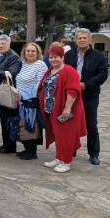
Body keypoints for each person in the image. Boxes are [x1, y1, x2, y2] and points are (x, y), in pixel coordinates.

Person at [39, 45, 87, 173]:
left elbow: (73, 91)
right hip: (52, 110)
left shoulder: (69, 71)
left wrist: (67, 108)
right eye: (51, 57)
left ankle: (66, 162)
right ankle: (59, 158)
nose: (53, 59)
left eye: (56, 57)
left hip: (65, 110)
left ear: (62, 57)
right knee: (58, 135)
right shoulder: (51, 70)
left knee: (66, 136)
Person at [64, 28, 108, 166]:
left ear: (90, 39)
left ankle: (94, 154)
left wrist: (86, 85)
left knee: (91, 125)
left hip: (90, 95)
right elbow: (64, 71)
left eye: (84, 38)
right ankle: (72, 149)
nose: (82, 40)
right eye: (79, 38)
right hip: (72, 95)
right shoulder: (69, 55)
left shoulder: (99, 56)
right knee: (71, 123)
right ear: (76, 40)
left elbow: (102, 75)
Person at [15, 42, 48, 160]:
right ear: (24, 52)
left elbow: (40, 83)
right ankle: (27, 148)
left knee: (32, 125)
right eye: (28, 51)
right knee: (23, 125)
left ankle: (32, 152)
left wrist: (29, 97)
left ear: (38, 53)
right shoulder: (23, 64)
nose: (30, 53)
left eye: (33, 51)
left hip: (31, 100)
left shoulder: (40, 65)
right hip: (21, 100)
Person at [0, 34, 22, 153]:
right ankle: (6, 143)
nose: (1, 46)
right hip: (3, 91)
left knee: (10, 120)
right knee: (4, 119)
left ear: (9, 44)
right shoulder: (2, 56)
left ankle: (10, 146)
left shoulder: (13, 56)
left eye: (3, 44)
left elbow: (11, 73)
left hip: (10, 93)